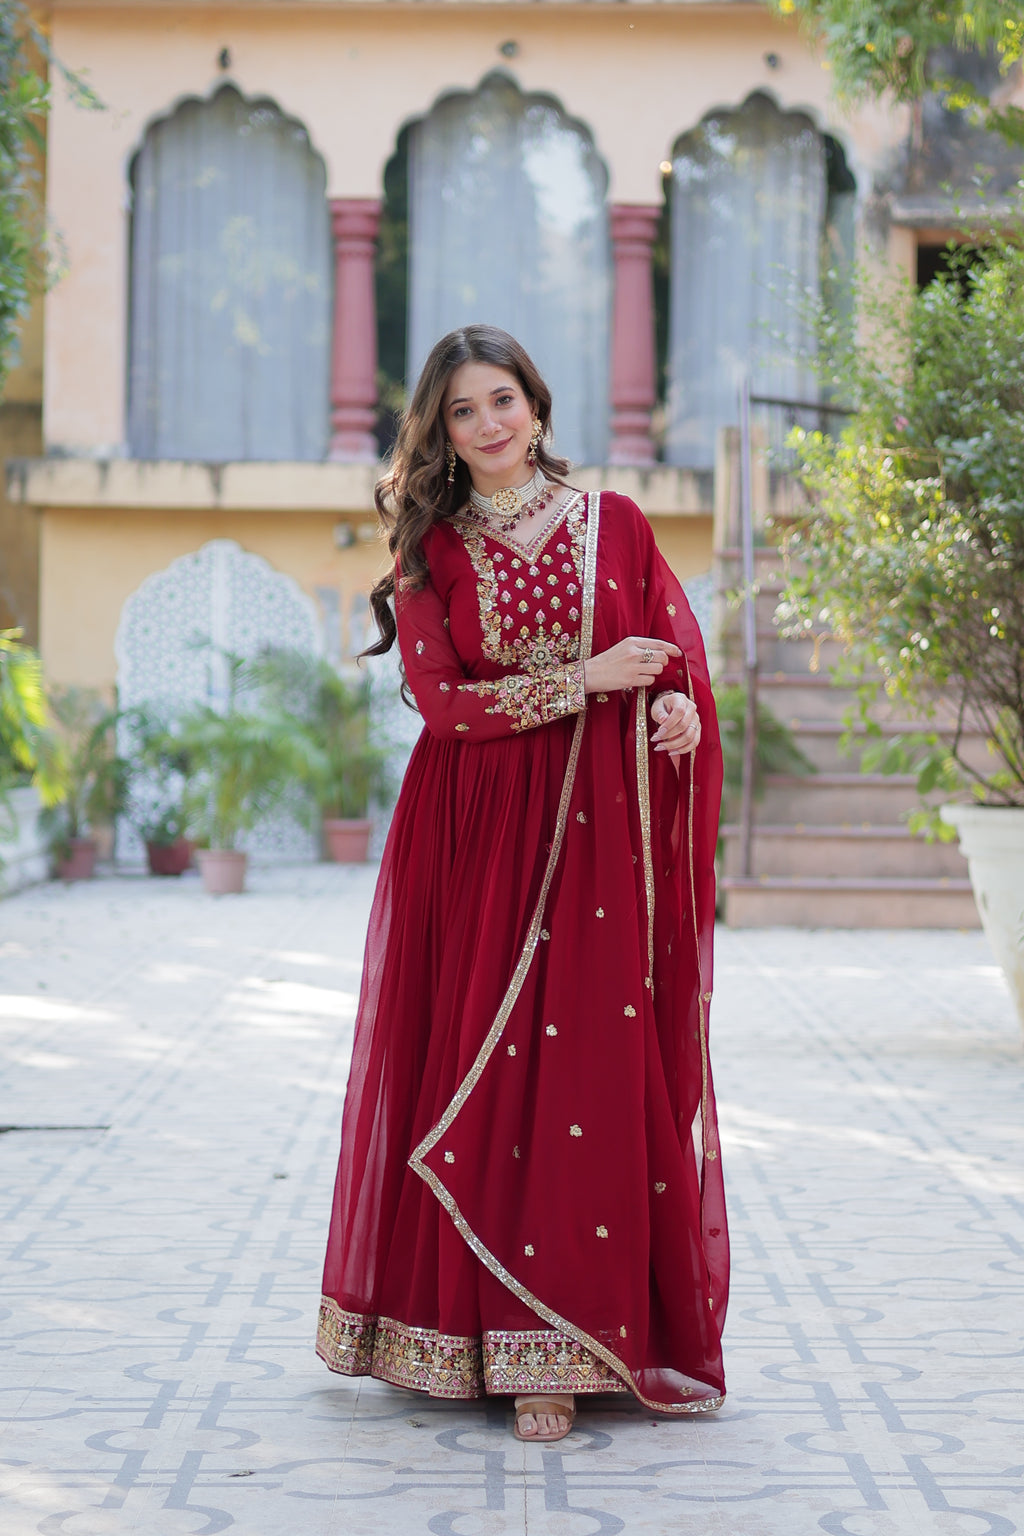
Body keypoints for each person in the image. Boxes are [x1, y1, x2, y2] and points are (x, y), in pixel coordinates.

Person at [317, 325, 728, 1444]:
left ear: (536, 408)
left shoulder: (617, 524)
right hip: (482, 838)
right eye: (463, 410)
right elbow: (444, 705)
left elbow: (671, 657)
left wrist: (676, 711)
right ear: (442, 434)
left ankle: (575, 1336)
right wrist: (584, 679)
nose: (488, 423)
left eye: (502, 399)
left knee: (588, 1069)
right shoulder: (429, 551)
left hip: (600, 839)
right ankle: (485, 1336)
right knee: (483, 1067)